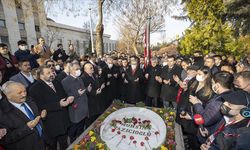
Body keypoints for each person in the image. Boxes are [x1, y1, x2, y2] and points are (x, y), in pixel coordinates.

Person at [29, 66, 73, 150]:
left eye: (51, 72)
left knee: (64, 143)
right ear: (41, 75)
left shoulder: (57, 82)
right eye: (48, 73)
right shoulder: (34, 88)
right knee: (52, 146)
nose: (51, 74)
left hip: (63, 120)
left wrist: (68, 98)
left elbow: (63, 95)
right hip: (51, 124)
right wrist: (58, 104)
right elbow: (39, 106)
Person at [0, 82, 46, 150]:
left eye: (25, 91)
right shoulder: (2, 112)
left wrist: (42, 115)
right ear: (8, 95)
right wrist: (27, 127)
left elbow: (35, 114)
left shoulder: (29, 99)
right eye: (19, 93)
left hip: (41, 143)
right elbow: (6, 140)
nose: (24, 94)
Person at [61, 62, 90, 142]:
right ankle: (72, 143)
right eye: (76, 69)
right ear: (70, 70)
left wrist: (87, 90)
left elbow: (82, 91)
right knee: (73, 130)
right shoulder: (65, 81)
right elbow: (67, 95)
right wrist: (77, 94)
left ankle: (80, 141)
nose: (78, 71)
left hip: (84, 108)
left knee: (81, 128)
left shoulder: (79, 78)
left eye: (79, 69)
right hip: (75, 110)